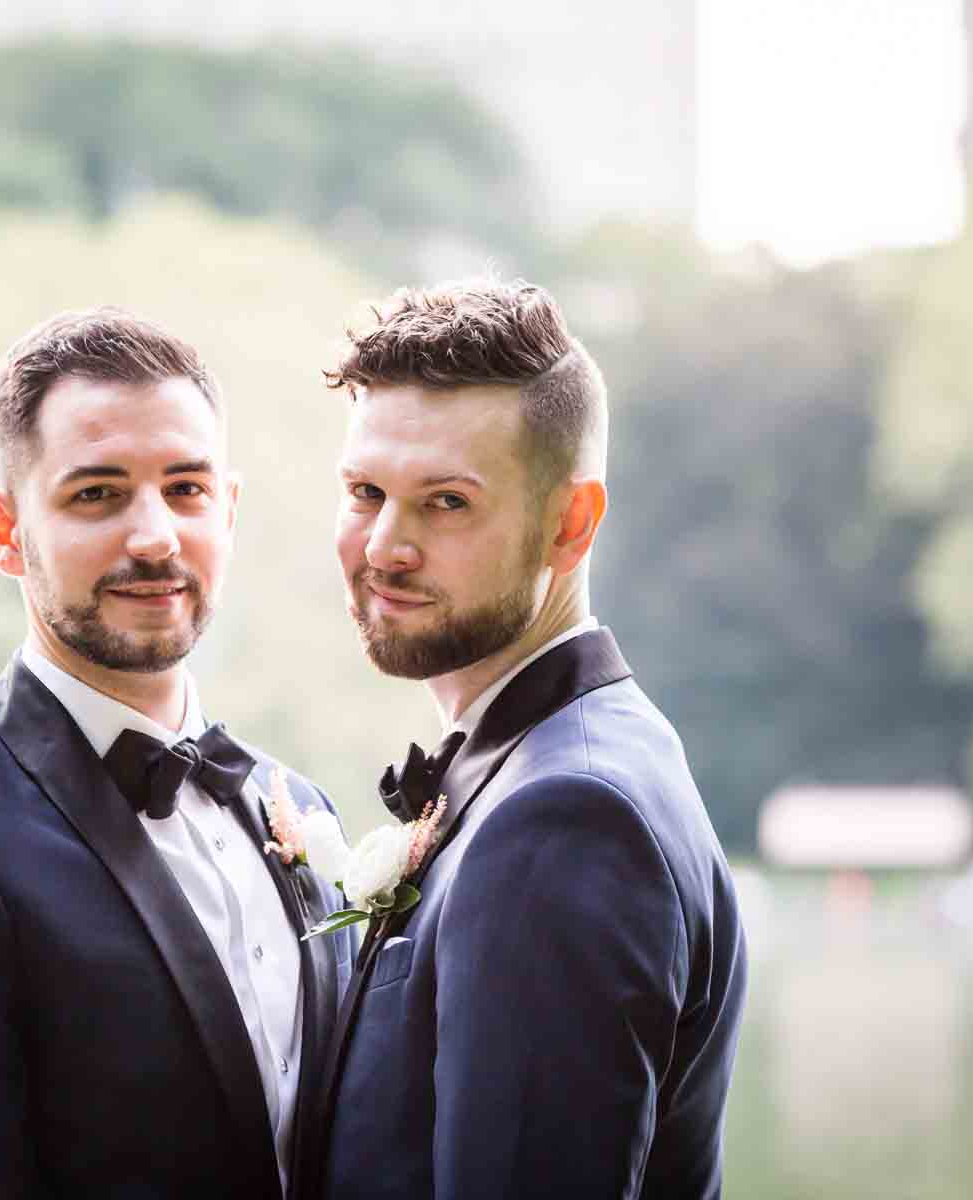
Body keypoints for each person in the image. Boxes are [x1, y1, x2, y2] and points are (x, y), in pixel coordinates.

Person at [0, 308, 352, 1200]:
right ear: (2, 529)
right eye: (97, 494)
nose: (154, 537)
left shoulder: (300, 809)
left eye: (187, 489)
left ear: (228, 508)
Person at [301, 279, 749, 1200]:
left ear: (571, 524)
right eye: (365, 492)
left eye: (447, 503)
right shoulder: (561, 758)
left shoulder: (565, 819)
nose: (385, 545)